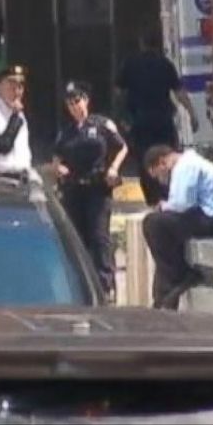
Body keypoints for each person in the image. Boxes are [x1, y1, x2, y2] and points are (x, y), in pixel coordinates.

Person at [53, 81, 129, 301]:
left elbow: (122, 146)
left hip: (98, 188)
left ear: (86, 100)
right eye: (69, 103)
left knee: (99, 236)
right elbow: (56, 156)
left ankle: (106, 284)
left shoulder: (102, 124)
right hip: (74, 189)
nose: (74, 107)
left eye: (77, 101)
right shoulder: (66, 132)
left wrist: (114, 168)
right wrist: (58, 167)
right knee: (77, 237)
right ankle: (81, 284)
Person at [142, 144, 213, 310]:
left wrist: (162, 206)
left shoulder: (185, 166)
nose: (161, 181)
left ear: (162, 163)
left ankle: (180, 275)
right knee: (168, 235)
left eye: (158, 176)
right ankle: (167, 290)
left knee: (153, 224)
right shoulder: (193, 163)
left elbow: (181, 204)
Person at [116, 29, 199, 206]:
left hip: (140, 122)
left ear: (141, 43)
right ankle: (169, 196)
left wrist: (122, 117)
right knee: (167, 157)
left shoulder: (131, 64)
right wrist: (192, 114)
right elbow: (179, 92)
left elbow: (118, 93)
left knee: (144, 161)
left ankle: (152, 201)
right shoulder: (165, 64)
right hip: (163, 122)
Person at [0, 65, 35, 182]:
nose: (16, 91)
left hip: (24, 178)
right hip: (0, 179)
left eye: (20, 87)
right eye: (11, 85)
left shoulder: (20, 115)